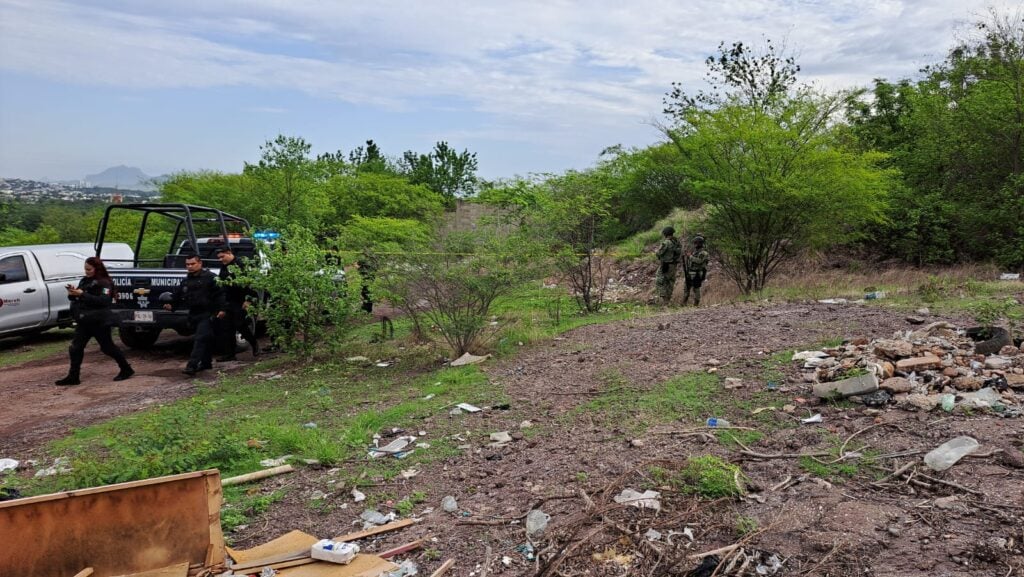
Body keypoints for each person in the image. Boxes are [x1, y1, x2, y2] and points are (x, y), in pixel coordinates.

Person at [55, 257, 134, 386]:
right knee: (75, 348)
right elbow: (78, 298)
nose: (86, 271)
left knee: (107, 348)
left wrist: (82, 294)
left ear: (97, 268)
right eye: (85, 269)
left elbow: (104, 301)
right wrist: (73, 293)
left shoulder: (105, 283)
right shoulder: (85, 281)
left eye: (89, 269)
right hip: (84, 320)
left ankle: (126, 368)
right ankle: (73, 376)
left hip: (99, 321)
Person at [163, 254, 225, 375]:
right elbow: (178, 296)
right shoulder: (187, 280)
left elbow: (221, 294)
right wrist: (171, 306)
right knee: (205, 338)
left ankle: (192, 365)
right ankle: (206, 363)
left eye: (192, 264)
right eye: (187, 264)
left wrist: (222, 309)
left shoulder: (210, 278)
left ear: (200, 263)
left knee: (200, 338)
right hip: (194, 313)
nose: (190, 267)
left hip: (208, 312)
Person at [214, 247, 260, 361]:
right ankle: (230, 353)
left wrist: (248, 299)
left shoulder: (241, 264)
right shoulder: (224, 267)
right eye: (218, 258)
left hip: (242, 300)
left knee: (240, 325)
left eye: (222, 256)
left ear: (229, 253)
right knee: (227, 327)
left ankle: (254, 344)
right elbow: (222, 283)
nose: (220, 259)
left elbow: (251, 283)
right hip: (229, 300)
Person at [654, 226, 683, 305]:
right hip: (673, 265)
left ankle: (664, 299)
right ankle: (668, 300)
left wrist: (656, 252)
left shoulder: (666, 242)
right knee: (670, 282)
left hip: (665, 264)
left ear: (665, 234)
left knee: (659, 281)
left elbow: (659, 253)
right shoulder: (676, 242)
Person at [682, 235, 710, 306]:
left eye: (696, 243)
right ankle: (683, 303)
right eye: (695, 243)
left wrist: (690, 256)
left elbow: (699, 261)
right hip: (690, 272)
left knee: (696, 288)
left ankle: (696, 304)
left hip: (697, 273)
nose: (695, 245)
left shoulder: (703, 253)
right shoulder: (695, 252)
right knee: (686, 287)